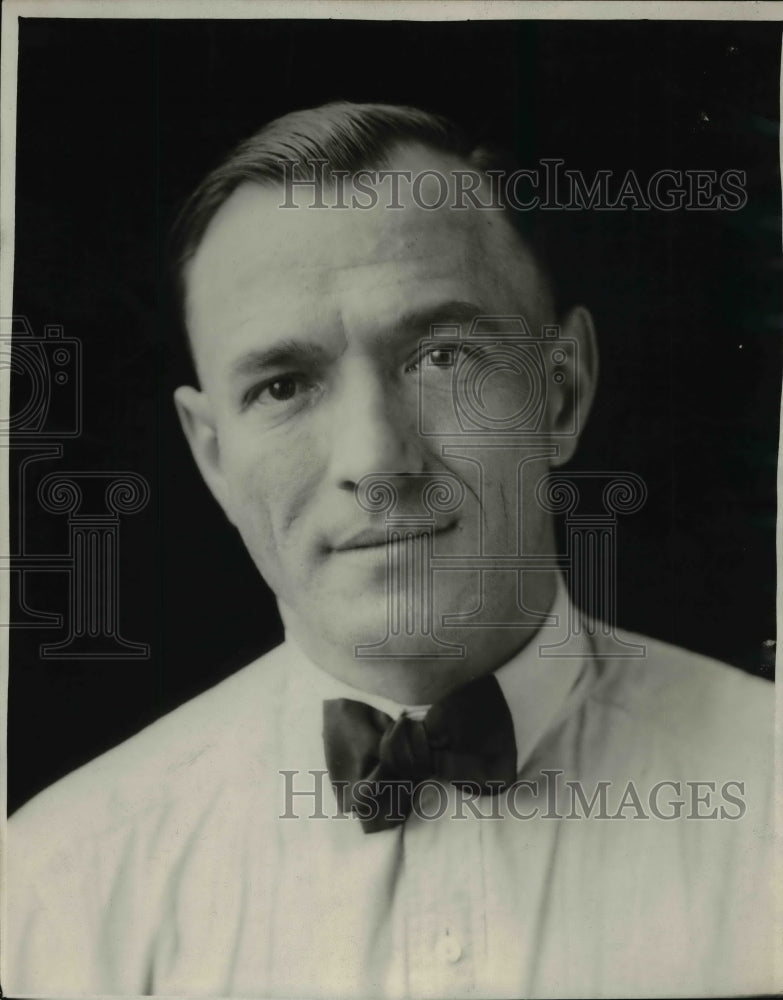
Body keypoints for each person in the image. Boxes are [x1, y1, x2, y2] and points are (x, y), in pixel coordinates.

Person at [6, 103, 774, 999]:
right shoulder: (61, 880)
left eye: (441, 356)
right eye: (284, 385)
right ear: (212, 456)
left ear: (558, 392)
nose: (374, 460)